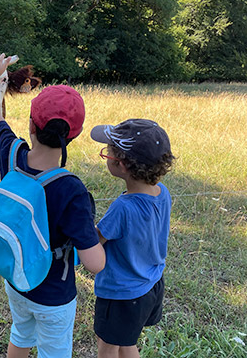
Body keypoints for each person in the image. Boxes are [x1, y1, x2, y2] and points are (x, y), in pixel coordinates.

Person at [0, 51, 106, 358]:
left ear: (31, 126)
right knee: (54, 351)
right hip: (54, 296)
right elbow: (95, 263)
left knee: (21, 333)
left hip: (17, 280)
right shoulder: (71, 190)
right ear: (74, 134)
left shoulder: (11, 154)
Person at [90, 119, 175, 358]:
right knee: (126, 341)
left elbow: (95, 242)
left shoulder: (123, 208)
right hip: (151, 285)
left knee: (106, 345)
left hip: (121, 294)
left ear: (121, 165)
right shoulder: (162, 192)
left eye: (108, 152)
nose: (106, 154)